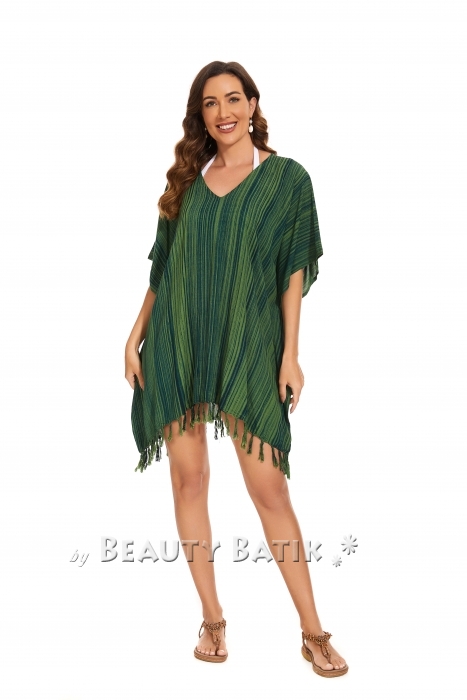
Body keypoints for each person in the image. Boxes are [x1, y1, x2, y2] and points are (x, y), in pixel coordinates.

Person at [124, 61, 348, 677]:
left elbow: (293, 270)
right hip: (177, 343)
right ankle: (212, 618)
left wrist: (290, 354)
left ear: (252, 104)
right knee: (188, 481)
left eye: (232, 98)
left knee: (269, 488)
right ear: (200, 116)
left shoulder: (287, 180)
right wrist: (136, 334)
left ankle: (313, 630)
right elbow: (164, 268)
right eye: (209, 103)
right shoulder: (187, 185)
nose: (222, 112)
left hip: (249, 345)